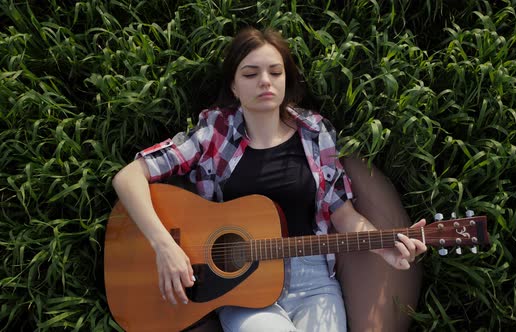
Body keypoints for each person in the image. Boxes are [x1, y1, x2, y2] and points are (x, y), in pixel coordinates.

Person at [112, 27, 427, 332]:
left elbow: (343, 214)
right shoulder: (214, 133)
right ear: (234, 86)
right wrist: (165, 246)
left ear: (286, 79)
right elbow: (128, 177)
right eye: (250, 74)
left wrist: (386, 248)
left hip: (313, 282)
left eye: (275, 72)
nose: (265, 81)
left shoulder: (316, 133)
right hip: (242, 289)